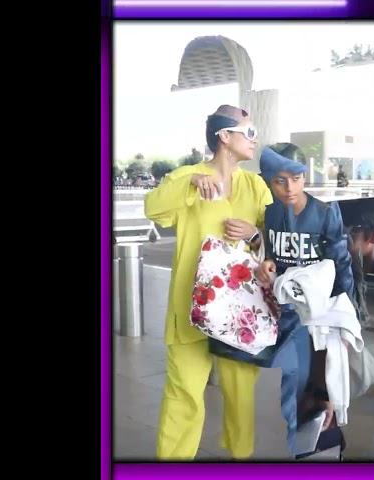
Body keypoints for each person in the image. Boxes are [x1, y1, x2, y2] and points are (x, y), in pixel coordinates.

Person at [144, 104, 273, 460]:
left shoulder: (255, 185)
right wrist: (190, 183)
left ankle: (240, 460)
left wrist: (255, 233)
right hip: (191, 308)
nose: (254, 138)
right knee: (183, 393)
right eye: (248, 132)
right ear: (224, 136)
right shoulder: (186, 177)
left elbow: (275, 236)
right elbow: (153, 208)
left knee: (240, 397)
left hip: (242, 313)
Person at [254, 143, 355, 452]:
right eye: (280, 181)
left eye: (296, 178)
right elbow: (268, 255)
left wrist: (348, 315)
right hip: (283, 315)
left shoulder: (325, 213)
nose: (290, 188)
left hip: (320, 319)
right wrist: (265, 264)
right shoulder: (269, 213)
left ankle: (323, 450)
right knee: (294, 395)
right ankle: (303, 451)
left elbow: (341, 268)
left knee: (322, 395)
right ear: (268, 181)